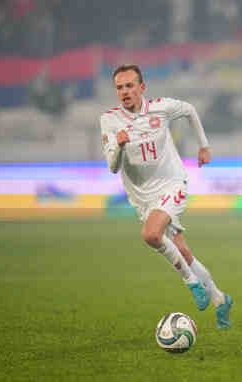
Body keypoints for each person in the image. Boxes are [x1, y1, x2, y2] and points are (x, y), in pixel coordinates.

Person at [100, 64, 233, 329]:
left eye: (129, 85)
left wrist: (204, 146)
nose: (124, 92)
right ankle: (220, 299)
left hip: (172, 183)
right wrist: (120, 146)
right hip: (142, 197)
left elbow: (190, 110)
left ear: (142, 87)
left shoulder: (162, 108)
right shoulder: (109, 120)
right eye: (119, 87)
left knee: (151, 235)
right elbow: (113, 167)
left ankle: (191, 282)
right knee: (182, 250)